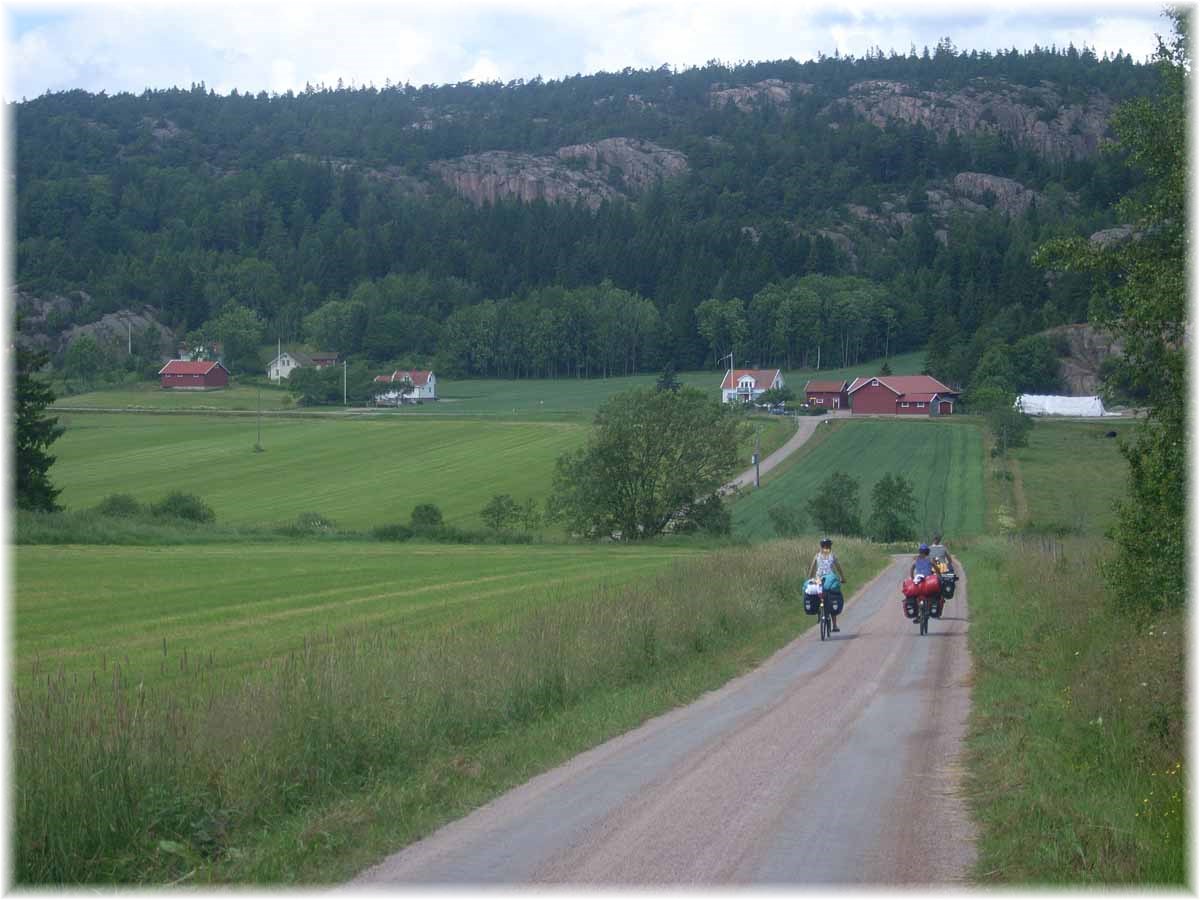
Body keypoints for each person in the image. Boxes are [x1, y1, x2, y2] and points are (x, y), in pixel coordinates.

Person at [808, 537, 847, 632]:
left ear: (821, 547)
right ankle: (834, 625)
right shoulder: (832, 556)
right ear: (830, 546)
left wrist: (809, 579)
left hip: (818, 579)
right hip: (830, 579)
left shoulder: (817, 556)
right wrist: (842, 578)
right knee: (832, 597)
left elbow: (812, 569)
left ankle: (819, 611)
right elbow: (838, 568)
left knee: (818, 594)